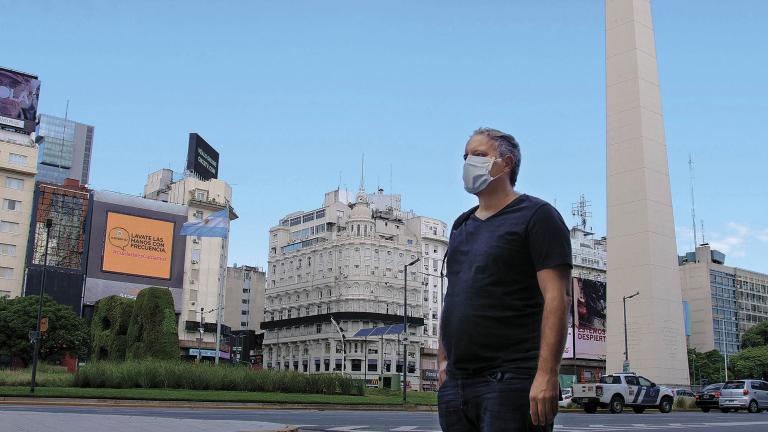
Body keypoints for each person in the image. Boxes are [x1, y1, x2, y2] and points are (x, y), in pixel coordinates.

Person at [438, 128, 572, 432]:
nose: (469, 162)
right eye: (466, 156)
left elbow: (557, 298)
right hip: (457, 384)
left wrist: (547, 374)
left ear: (507, 163)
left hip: (511, 381)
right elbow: (453, 296)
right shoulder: (461, 225)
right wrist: (444, 362)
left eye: (480, 154)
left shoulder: (538, 216)